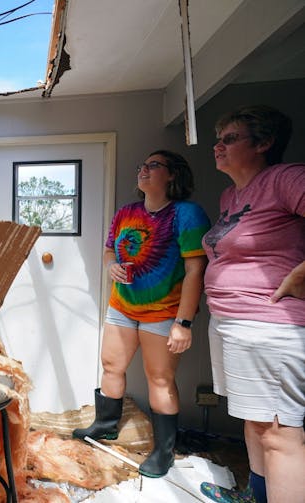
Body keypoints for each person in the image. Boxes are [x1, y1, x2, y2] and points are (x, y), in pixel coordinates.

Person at [73, 150, 211, 478]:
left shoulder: (187, 214)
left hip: (163, 313)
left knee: (160, 379)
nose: (143, 170)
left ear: (173, 175)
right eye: (141, 165)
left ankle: (163, 452)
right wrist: (111, 266)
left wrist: (184, 322)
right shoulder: (126, 213)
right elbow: (109, 249)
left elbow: (196, 270)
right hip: (122, 306)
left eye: (153, 166)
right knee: (111, 365)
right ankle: (106, 425)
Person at [199, 105, 305, 503]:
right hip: (232, 322)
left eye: (230, 139)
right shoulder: (232, 195)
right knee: (256, 423)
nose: (218, 147)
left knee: (280, 435)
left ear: (263, 143)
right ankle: (254, 496)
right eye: (218, 140)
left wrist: (302, 274)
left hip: (269, 325)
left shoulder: (285, 178)